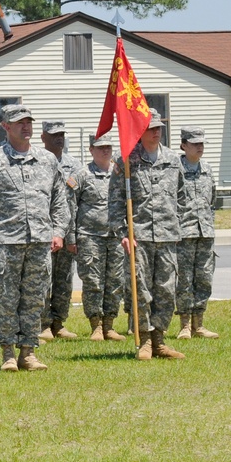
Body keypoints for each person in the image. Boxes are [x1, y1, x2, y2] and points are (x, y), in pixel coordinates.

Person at [0, 103, 69, 371]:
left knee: (35, 298)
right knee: (8, 298)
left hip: (39, 242)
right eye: (20, 122)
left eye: (29, 122)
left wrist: (58, 231)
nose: (26, 126)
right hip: (5, 242)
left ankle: (28, 351)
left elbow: (60, 198)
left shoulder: (47, 160)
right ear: (6, 127)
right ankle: (8, 353)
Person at [108, 108, 186, 360]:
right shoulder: (127, 161)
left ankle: (159, 341)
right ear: (139, 130)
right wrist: (123, 232)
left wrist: (178, 226)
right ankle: (144, 340)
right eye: (150, 127)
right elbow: (115, 201)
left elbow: (182, 197)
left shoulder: (174, 160)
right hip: (138, 236)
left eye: (158, 127)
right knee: (140, 289)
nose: (156, 131)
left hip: (166, 236)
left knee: (165, 289)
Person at [73, 135, 127, 341]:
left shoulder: (119, 172)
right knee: (93, 281)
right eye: (100, 147)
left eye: (108, 147)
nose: (105, 151)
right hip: (90, 236)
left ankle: (109, 325)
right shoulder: (82, 174)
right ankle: (95, 325)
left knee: (115, 281)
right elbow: (71, 206)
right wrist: (71, 237)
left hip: (115, 236)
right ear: (91, 150)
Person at [38, 120, 83, 340]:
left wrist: (72, 234)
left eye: (62, 134)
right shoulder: (37, 161)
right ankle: (43, 323)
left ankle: (58, 322)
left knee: (64, 279)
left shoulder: (74, 165)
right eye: (54, 135)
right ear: (43, 137)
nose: (59, 138)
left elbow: (76, 202)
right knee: (43, 279)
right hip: (42, 230)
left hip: (67, 229)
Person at [175, 126, 219, 339]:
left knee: (204, 278)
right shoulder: (175, 169)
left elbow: (212, 201)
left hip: (205, 232)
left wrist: (209, 225)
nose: (200, 147)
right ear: (184, 145)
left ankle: (198, 324)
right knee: (184, 279)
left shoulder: (207, 168)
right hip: (184, 232)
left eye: (202, 143)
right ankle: (184, 325)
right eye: (195, 143)